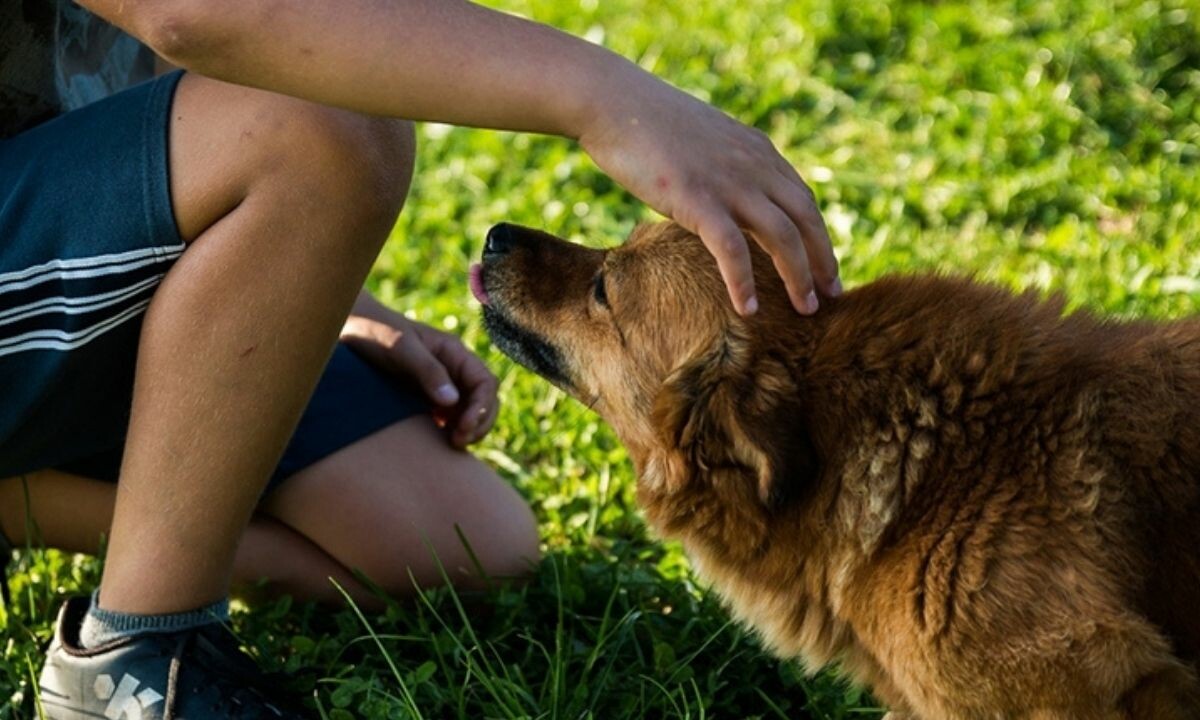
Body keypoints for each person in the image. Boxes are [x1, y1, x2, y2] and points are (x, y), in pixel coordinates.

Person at [0, 0, 840, 717]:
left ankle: (30, 502)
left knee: (458, 544)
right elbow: (195, 14)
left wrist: (293, 288)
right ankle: (139, 659)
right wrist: (608, 97)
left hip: (55, 240)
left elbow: (143, 64)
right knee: (327, 125)